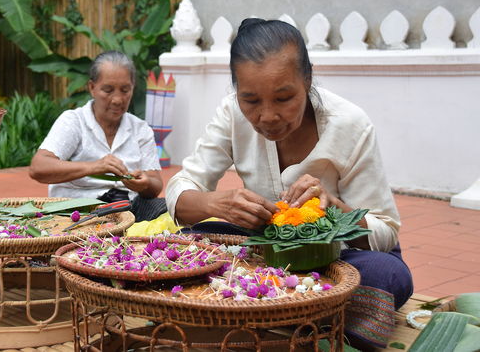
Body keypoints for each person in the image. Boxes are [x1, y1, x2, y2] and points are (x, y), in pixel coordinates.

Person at [165, 19, 413, 350]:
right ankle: (300, 308)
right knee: (189, 243)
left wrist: (334, 211)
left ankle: (257, 306)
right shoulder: (230, 114)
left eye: (284, 98)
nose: (267, 116)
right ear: (236, 90)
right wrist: (215, 203)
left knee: (386, 276)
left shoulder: (350, 125)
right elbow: (180, 189)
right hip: (265, 248)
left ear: (307, 80)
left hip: (339, 258)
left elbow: (385, 233)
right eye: (250, 100)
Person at [29, 50, 167, 222]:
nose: (117, 99)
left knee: (170, 210)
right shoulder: (74, 121)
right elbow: (38, 168)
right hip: (79, 208)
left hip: (127, 207)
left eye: (125, 90)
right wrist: (95, 167)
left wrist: (144, 183)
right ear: (92, 88)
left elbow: (155, 185)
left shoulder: (140, 129)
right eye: (108, 90)